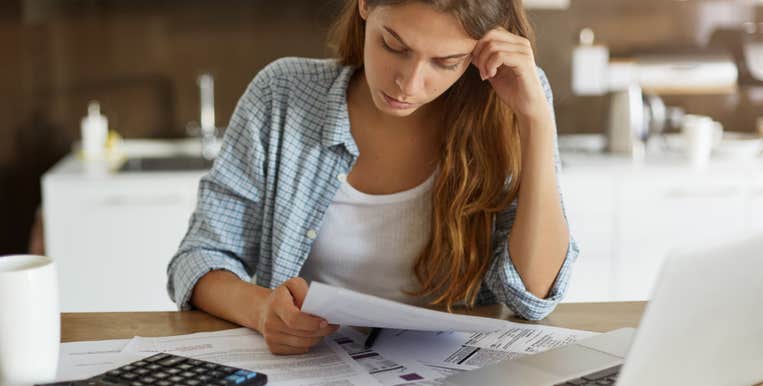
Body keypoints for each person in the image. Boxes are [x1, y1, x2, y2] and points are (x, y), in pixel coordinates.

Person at [167, 0, 578, 355]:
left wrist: (534, 118)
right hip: (313, 365)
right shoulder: (283, 94)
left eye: (445, 62)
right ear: (365, 6)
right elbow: (200, 258)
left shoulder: (509, 103)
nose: (409, 83)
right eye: (394, 45)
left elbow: (532, 296)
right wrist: (261, 309)